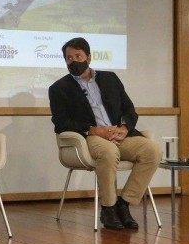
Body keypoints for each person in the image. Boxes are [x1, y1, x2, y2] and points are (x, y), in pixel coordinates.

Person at [48, 37, 159, 231]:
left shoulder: (110, 79)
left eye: (78, 56)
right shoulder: (59, 89)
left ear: (88, 57)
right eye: (69, 58)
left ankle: (124, 204)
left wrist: (124, 128)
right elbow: (61, 122)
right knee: (108, 152)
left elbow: (129, 109)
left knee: (152, 151)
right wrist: (92, 129)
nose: (73, 61)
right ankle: (108, 208)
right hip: (91, 138)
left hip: (119, 134)